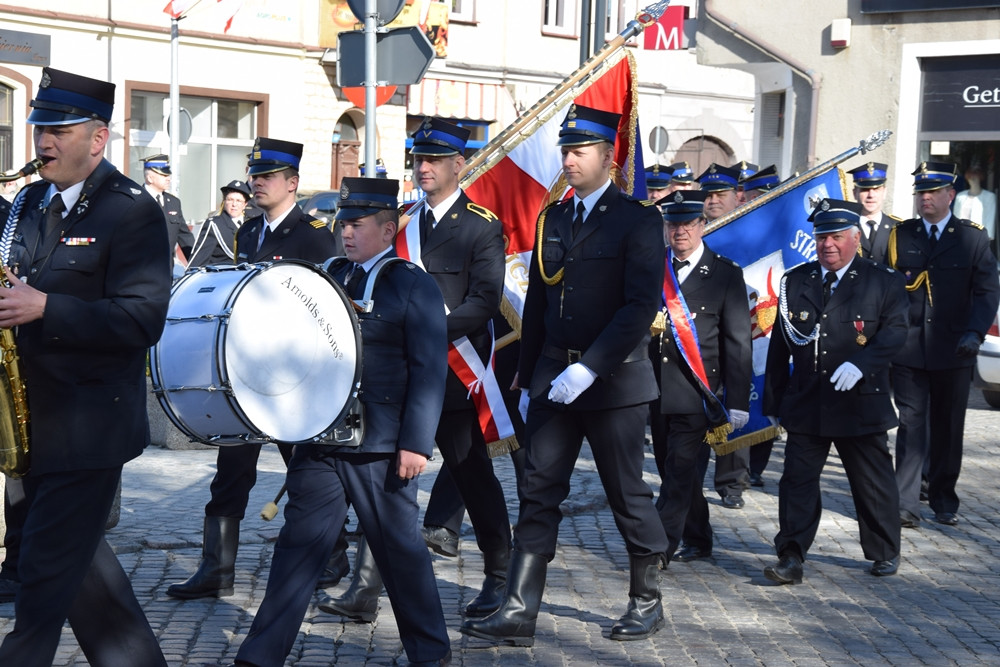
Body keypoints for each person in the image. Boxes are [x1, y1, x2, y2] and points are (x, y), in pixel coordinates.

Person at [461, 104, 669, 645]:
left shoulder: (639, 219)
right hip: (554, 377)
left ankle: (646, 599)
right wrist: (529, 378)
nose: (569, 160)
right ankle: (520, 608)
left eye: (579, 151)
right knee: (538, 488)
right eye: (565, 150)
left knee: (626, 491)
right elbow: (538, 304)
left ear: (608, 156)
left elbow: (640, 305)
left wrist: (590, 367)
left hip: (614, 380)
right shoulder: (554, 216)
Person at [231, 177, 451, 667]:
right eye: (342, 224)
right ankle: (260, 656)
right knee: (297, 550)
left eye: (356, 225)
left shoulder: (411, 283)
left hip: (381, 445)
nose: (345, 233)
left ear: (387, 228)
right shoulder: (325, 275)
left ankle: (431, 654)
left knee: (400, 554)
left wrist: (416, 442)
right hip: (321, 441)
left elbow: (430, 368)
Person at [0, 66, 169, 666]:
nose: (43, 140)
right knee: (82, 570)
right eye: (39, 126)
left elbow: (140, 321)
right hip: (29, 426)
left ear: (98, 138)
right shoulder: (27, 201)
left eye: (59, 128)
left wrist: (46, 307)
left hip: (88, 427)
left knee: (41, 577)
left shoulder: (132, 212)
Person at [322, 116, 511, 622]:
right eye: (418, 159)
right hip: (388, 372)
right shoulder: (401, 221)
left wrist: (427, 328)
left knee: (472, 475)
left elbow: (485, 302)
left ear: (459, 164)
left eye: (433, 160)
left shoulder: (481, 225)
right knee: (380, 477)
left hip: (451, 371)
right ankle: (364, 588)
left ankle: (499, 575)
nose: (423, 168)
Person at [166, 137, 342, 600]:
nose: (256, 184)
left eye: (266, 177)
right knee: (231, 468)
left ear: (292, 183)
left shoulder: (314, 234)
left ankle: (333, 552)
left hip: (291, 378)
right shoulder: (249, 232)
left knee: (305, 470)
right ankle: (216, 569)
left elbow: (325, 310)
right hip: (245, 373)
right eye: (254, 176)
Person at [762, 199, 907, 584]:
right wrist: (774, 399)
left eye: (836, 237)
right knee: (796, 482)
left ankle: (883, 550)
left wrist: (862, 363)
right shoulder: (797, 281)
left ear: (855, 239)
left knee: (871, 481)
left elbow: (895, 333)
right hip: (808, 400)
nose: (827, 244)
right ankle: (791, 555)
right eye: (821, 236)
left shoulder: (883, 281)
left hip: (860, 401)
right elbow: (781, 346)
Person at [889, 161, 1000, 529]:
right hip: (908, 349)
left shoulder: (971, 237)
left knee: (949, 427)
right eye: (921, 193)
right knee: (911, 425)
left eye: (933, 192)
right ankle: (905, 502)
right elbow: (887, 289)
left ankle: (942, 498)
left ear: (950, 195)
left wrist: (975, 332)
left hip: (954, 349)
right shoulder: (901, 236)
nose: (925, 199)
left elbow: (986, 291)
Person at [650, 189, 752, 565]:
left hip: (697, 392)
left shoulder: (725, 274)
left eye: (688, 223)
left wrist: (738, 401)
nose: (680, 231)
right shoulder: (652, 269)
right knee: (673, 468)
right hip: (655, 389)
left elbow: (738, 343)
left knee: (678, 468)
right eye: (673, 223)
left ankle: (659, 548)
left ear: (702, 225)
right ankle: (699, 536)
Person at [694, 162, 751, 508]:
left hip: (739, 327)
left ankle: (732, 481)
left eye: (721, 194)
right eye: (709, 195)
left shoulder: (748, 229)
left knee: (736, 401)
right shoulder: (692, 227)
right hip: (696, 336)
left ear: (736, 196)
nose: (714, 201)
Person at [143, 153, 193, 268]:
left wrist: (197, 265)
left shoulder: (174, 202)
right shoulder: (136, 200)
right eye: (164, 175)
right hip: (143, 270)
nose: (168, 179)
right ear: (150, 178)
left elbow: (185, 236)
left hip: (167, 270)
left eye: (168, 175)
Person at [188, 179, 251, 267]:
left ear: (245, 204)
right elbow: (198, 258)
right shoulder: (214, 224)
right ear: (224, 202)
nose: (234, 204)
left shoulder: (251, 224)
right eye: (230, 200)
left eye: (238, 201)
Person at [847, 162, 898, 264]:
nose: (871, 195)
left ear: (884, 192)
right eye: (865, 189)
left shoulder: (897, 228)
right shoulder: (845, 227)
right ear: (854, 193)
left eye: (876, 189)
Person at [953, 164, 997, 241]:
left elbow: (990, 217)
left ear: (980, 178)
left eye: (975, 178)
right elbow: (956, 216)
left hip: (979, 237)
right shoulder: (960, 196)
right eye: (970, 178)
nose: (973, 180)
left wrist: (988, 236)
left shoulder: (989, 197)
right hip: (961, 235)